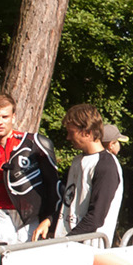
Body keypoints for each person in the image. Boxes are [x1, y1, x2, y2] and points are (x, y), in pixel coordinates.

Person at [0, 91, 60, 247]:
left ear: (14, 117)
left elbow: (54, 185)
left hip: (32, 218)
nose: (0, 122)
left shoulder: (34, 144)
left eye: (5, 117)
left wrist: (49, 219)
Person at [51, 103, 124, 243]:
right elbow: (69, 201)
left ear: (87, 132)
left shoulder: (106, 165)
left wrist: (67, 241)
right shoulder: (78, 160)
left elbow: (96, 217)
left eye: (71, 132)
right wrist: (50, 221)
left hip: (87, 247)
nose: (68, 137)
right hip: (66, 242)